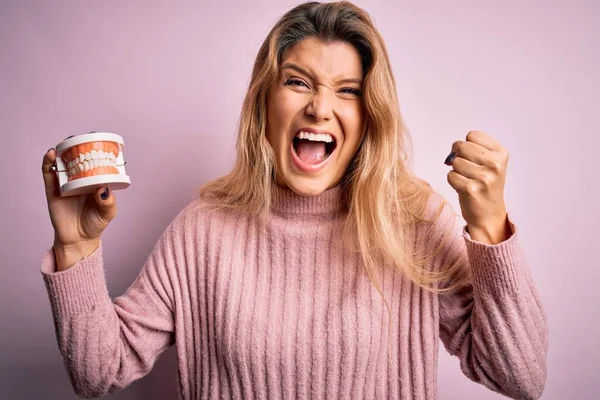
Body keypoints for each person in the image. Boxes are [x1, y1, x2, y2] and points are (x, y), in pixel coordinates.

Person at [39, 1, 548, 399]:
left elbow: (520, 378)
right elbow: (98, 371)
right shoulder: (203, 231)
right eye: (298, 82)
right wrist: (75, 246)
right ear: (266, 101)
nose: (320, 107)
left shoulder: (413, 223)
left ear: (370, 114)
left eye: (347, 90)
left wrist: (490, 227)